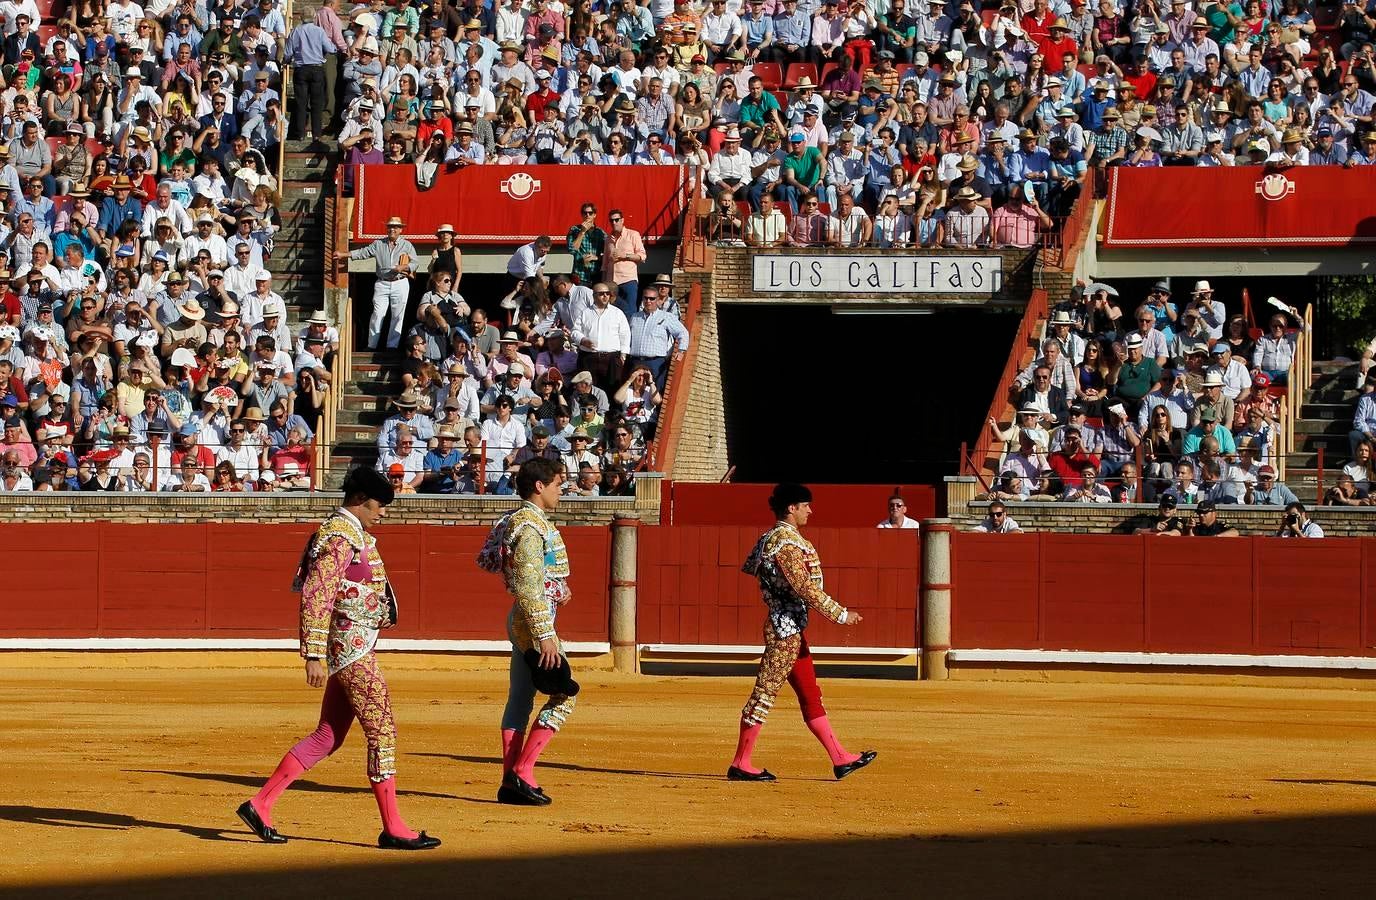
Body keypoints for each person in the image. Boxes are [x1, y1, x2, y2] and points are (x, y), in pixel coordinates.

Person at [238, 468, 440, 850]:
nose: (383, 513)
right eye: (379, 505)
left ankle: (260, 804)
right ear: (360, 498)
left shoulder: (350, 535)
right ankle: (393, 827)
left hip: (353, 645)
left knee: (328, 735)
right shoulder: (338, 537)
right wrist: (313, 654)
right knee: (382, 732)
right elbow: (317, 594)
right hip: (351, 651)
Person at [729, 483, 876, 783]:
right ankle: (741, 762)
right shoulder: (784, 542)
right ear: (791, 508)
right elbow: (803, 586)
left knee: (810, 694)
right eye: (805, 504)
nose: (810, 510)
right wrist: (840, 613)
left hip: (792, 629)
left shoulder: (774, 538)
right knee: (764, 694)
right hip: (785, 631)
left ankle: (840, 758)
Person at [476, 458, 578, 806]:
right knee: (565, 693)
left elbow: (528, 576)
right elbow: (529, 584)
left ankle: (510, 782)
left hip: (524, 619)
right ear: (540, 486)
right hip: (533, 623)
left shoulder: (516, 520)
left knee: (520, 697)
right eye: (558, 485)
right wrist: (544, 634)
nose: (561, 491)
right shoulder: (531, 527)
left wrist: (557, 589)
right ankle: (522, 771)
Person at [337, 216, 417, 350]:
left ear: (400, 230)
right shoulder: (378, 244)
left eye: (395, 227)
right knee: (377, 314)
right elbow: (363, 252)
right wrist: (344, 254)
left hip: (400, 282)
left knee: (398, 316)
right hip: (382, 282)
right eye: (390, 227)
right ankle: (372, 345)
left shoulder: (407, 245)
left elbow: (415, 263)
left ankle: (392, 346)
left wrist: (403, 267)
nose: (392, 229)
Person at [601, 209, 646, 317]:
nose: (614, 223)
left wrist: (625, 256)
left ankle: (631, 333)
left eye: (616, 220)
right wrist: (603, 282)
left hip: (628, 279)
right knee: (611, 312)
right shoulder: (608, 239)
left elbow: (642, 256)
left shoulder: (633, 234)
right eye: (611, 221)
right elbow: (605, 263)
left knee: (629, 311)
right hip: (611, 282)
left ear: (622, 220)